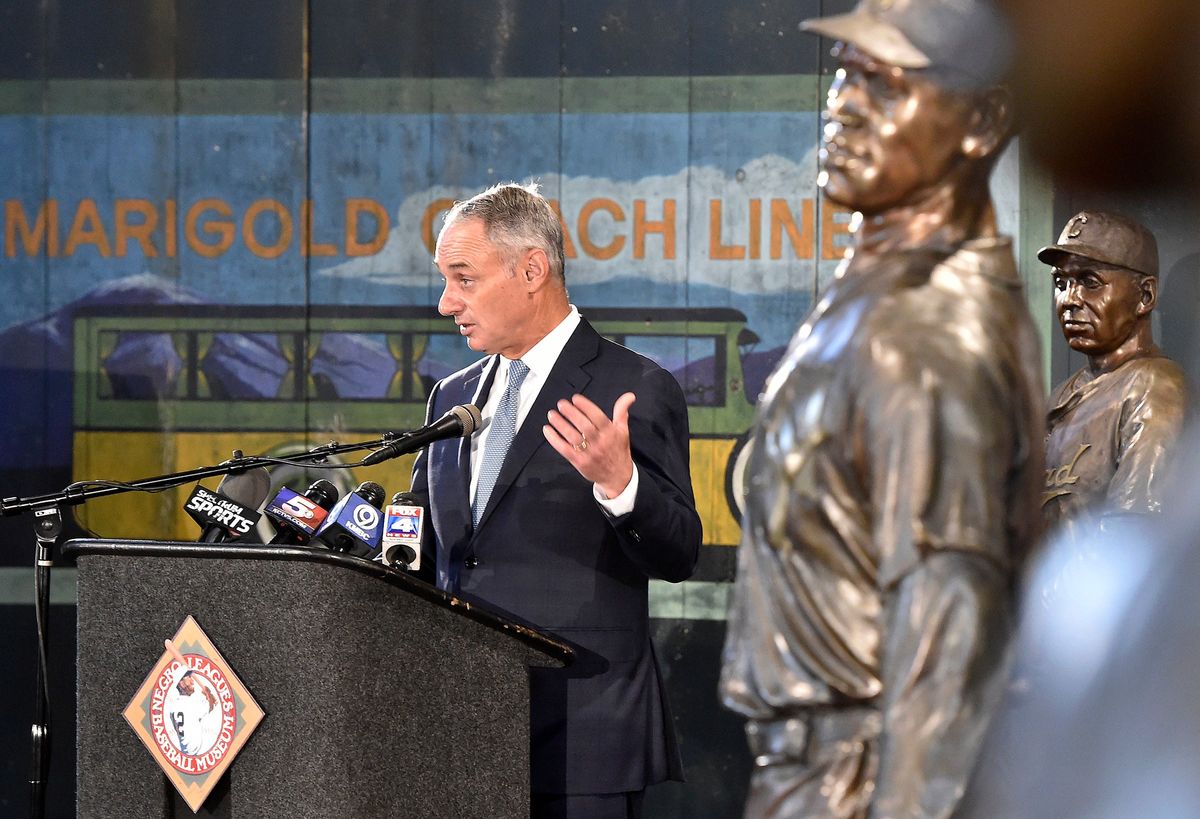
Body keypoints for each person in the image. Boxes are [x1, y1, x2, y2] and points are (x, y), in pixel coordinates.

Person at [718, 0, 1045, 816]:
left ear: (983, 119)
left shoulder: (929, 338)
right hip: (819, 768)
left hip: (854, 781)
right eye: (845, 75)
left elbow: (951, 627)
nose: (845, 105)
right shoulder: (883, 287)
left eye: (887, 84)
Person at [408, 182, 701, 817]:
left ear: (532, 269)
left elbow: (679, 551)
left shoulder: (634, 387)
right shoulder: (450, 399)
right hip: (461, 730)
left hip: (583, 734)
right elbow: (422, 545)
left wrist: (621, 485)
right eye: (445, 281)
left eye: (463, 279)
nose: (444, 303)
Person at [1039, 210, 1189, 535]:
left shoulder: (1154, 387)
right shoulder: (1061, 397)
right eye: (1061, 283)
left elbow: (1131, 534)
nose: (1069, 300)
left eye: (1090, 282)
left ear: (1145, 296)